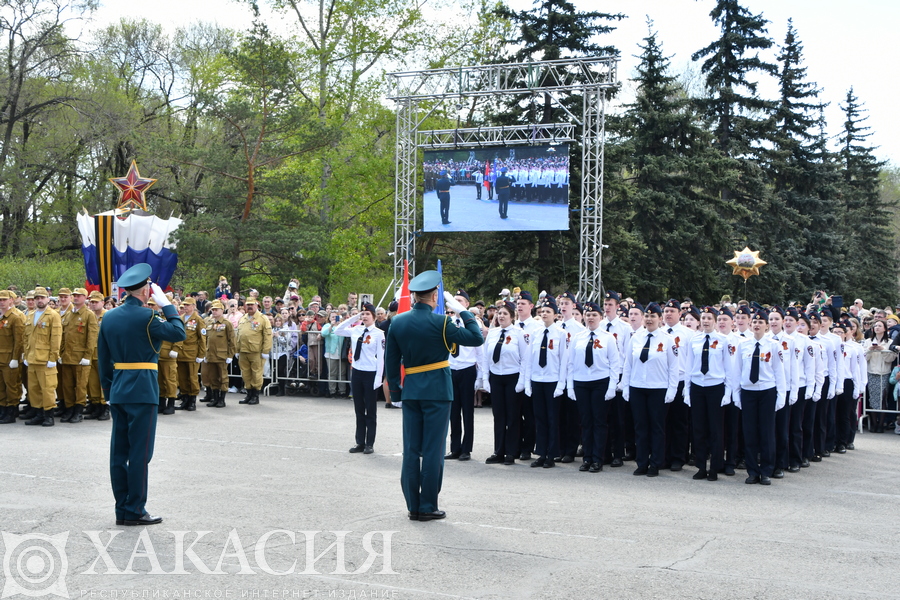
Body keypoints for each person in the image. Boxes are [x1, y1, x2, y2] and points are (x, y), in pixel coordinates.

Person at [385, 272, 483, 521]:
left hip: (412, 391)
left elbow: (392, 361)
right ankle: (427, 505)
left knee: (411, 449)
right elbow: (476, 337)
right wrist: (462, 310)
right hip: (438, 391)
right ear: (435, 296)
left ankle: (412, 505)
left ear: (415, 296)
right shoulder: (442, 322)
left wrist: (396, 391)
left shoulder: (398, 322)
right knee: (433, 450)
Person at [97, 263, 186, 526]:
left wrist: (108, 391)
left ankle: (121, 509)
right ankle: (135, 509)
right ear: (146, 290)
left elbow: (103, 359)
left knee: (118, 452)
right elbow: (178, 332)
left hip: (118, 389)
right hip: (143, 390)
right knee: (140, 453)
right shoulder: (148, 318)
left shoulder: (109, 316)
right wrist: (167, 305)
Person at [621, 303, 679, 477]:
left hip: (658, 388)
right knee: (640, 427)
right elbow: (628, 364)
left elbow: (673, 366)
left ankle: (655, 463)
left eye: (653, 316)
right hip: (638, 387)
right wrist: (626, 386)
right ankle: (642, 462)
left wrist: (671, 389)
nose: (649, 319)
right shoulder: (636, 338)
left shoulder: (667, 339)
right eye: (647, 316)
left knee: (657, 427)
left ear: (660, 319)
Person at [731, 309, 786, 485]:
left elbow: (779, 372)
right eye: (754, 322)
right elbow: (737, 371)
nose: (756, 325)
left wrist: (781, 395)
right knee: (750, 433)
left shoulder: (774, 345)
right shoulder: (744, 345)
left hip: (767, 392)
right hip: (748, 392)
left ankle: (766, 471)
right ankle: (752, 471)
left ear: (767, 326)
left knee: (767, 433)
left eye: (760, 322)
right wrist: (736, 394)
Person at [567, 301, 620, 473]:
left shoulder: (607, 337)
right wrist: (570, 386)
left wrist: (612, 386)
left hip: (600, 382)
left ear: (601, 317)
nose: (590, 318)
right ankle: (587, 457)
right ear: (584, 317)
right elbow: (571, 363)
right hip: (581, 382)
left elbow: (615, 363)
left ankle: (598, 459)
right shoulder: (578, 337)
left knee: (599, 421)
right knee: (585, 421)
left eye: (594, 315)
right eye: (588, 315)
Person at [684, 306, 732, 481]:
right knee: (699, 428)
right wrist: (686, 390)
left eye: (709, 318)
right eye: (703, 318)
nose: (705, 321)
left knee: (715, 429)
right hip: (697, 385)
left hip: (715, 386)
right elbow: (689, 365)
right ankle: (701, 466)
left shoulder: (723, 341)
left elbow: (728, 367)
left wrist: (728, 392)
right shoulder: (694, 340)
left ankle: (715, 467)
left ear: (715, 321)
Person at [481, 301, 529, 465]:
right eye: (499, 313)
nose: (501, 316)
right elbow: (485, 358)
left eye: (504, 314)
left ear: (512, 317)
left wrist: (521, 381)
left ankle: (511, 451)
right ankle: (498, 451)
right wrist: (485, 379)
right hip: (496, 377)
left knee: (513, 417)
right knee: (498, 416)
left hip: (512, 377)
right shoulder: (493, 333)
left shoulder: (519, 333)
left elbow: (525, 359)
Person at [335, 302, 385, 454]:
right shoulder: (356, 329)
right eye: (363, 314)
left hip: (370, 373)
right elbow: (338, 330)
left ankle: (370, 443)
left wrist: (378, 378)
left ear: (374, 316)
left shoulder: (378, 333)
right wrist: (353, 318)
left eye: (367, 314)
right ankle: (360, 442)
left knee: (370, 410)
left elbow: (381, 358)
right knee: (358, 409)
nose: (364, 317)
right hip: (357, 372)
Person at [526, 298, 567, 468]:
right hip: (537, 379)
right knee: (540, 418)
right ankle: (541, 452)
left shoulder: (560, 333)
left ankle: (552, 453)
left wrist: (560, 384)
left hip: (552, 380)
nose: (544, 314)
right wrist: (527, 383)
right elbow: (529, 359)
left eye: (548, 312)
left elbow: (564, 360)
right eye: (542, 311)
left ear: (555, 315)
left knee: (552, 418)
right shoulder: (536, 333)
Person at [446, 290, 483, 461]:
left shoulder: (472, 322)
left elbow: (479, 351)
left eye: (460, 300)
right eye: (454, 300)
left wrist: (481, 375)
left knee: (467, 411)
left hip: (468, 369)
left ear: (467, 304)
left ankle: (466, 448)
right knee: (453, 412)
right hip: (452, 369)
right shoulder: (449, 322)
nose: (456, 303)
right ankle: (455, 448)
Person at [23, 287, 62, 427]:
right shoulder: (31, 315)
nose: (39, 300)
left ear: (47, 299)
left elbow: (56, 338)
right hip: (32, 358)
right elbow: (26, 337)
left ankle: (48, 415)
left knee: (47, 388)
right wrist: (26, 355)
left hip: (45, 359)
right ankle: (38, 414)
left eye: (42, 298)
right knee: (34, 389)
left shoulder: (53, 315)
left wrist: (53, 358)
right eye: (37, 298)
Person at [236, 298, 272, 405]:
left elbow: (267, 336)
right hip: (243, 351)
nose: (250, 306)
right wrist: (237, 349)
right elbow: (239, 335)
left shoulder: (262, 318)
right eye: (248, 305)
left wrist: (265, 351)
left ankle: (255, 395)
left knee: (256, 374)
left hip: (256, 351)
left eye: (252, 304)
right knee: (246, 373)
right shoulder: (243, 318)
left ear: (257, 305)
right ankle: (249, 394)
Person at [204, 300, 236, 408]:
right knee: (212, 378)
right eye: (213, 310)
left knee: (223, 378)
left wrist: (230, 355)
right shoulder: (209, 323)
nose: (214, 312)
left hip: (222, 355)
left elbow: (232, 340)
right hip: (211, 355)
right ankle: (215, 398)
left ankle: (222, 399)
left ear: (222, 311)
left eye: (216, 310)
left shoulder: (227, 324)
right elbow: (206, 339)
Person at [0, 290, 24, 425]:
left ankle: (12, 410)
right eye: (0, 299)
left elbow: (18, 341)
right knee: (0, 387)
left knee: (11, 387)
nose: (1, 302)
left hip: (9, 359)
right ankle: (2, 408)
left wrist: (15, 358)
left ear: (11, 300)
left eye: (4, 299)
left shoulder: (15, 317)